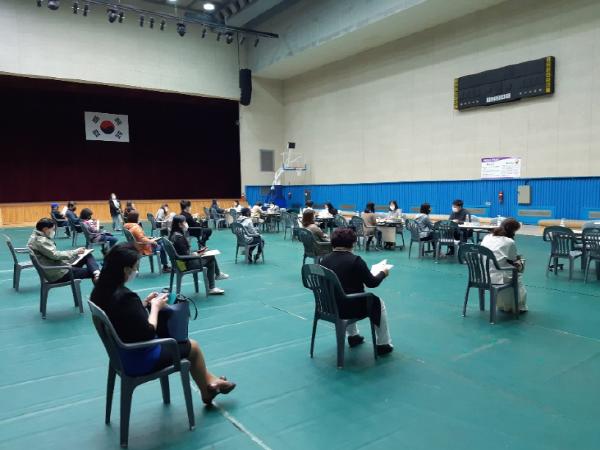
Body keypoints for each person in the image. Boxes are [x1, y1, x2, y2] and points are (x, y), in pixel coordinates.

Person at [90, 243, 236, 404]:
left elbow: (123, 315)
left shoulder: (100, 291)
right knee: (193, 347)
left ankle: (212, 382)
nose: (136, 271)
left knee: (187, 345)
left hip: (119, 355)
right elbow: (149, 332)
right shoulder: (125, 297)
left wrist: (144, 303)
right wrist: (155, 307)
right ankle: (206, 393)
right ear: (125, 269)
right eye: (135, 267)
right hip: (139, 359)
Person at [320, 228, 393, 355]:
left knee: (346, 295)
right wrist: (383, 273)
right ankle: (383, 344)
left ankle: (353, 336)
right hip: (349, 307)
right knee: (378, 303)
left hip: (328, 305)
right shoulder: (355, 261)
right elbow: (372, 283)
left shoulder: (324, 260)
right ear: (352, 243)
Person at [28, 217, 100, 283]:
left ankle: (97, 274)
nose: (53, 231)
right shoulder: (41, 241)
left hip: (56, 267)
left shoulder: (35, 236)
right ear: (45, 229)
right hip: (59, 273)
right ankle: (97, 276)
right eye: (52, 229)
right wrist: (75, 252)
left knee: (87, 255)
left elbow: (53, 254)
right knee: (92, 272)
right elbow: (55, 255)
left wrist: (75, 252)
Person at [169, 215, 228, 294]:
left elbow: (183, 252)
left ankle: (218, 274)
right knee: (211, 258)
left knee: (208, 254)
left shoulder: (173, 235)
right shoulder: (179, 237)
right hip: (185, 264)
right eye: (185, 222)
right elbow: (186, 256)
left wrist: (199, 252)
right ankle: (212, 287)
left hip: (179, 263)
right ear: (180, 224)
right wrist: (197, 254)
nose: (186, 224)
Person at [481, 218, 527, 313]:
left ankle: (503, 305)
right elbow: (513, 259)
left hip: (482, 275)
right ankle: (517, 306)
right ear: (513, 231)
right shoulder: (509, 242)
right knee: (518, 274)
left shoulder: (487, 237)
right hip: (498, 277)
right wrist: (520, 262)